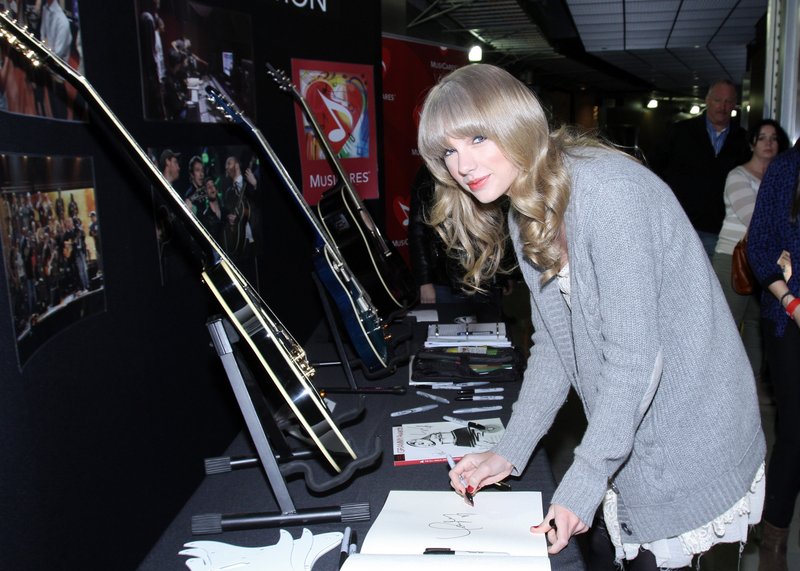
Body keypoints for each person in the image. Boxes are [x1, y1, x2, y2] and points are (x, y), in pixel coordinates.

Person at [417, 64, 765, 570]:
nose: (462, 163)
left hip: (693, 433)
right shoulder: (524, 205)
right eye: (448, 150)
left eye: (475, 137)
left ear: (515, 123)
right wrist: (509, 451)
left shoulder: (606, 192)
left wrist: (584, 478)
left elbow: (635, 360)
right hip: (636, 426)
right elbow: (556, 347)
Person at [746, 142, 800, 571]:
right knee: (796, 430)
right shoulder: (786, 170)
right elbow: (761, 244)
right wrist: (791, 301)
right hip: (788, 319)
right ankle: (774, 535)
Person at [711, 119, 790, 388]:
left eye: (774, 138)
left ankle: (748, 388)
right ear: (752, 144)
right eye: (762, 137)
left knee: (757, 328)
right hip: (732, 260)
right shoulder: (738, 176)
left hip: (767, 263)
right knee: (727, 326)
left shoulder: (782, 179)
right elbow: (756, 221)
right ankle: (718, 387)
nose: (769, 143)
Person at [650, 80, 750, 259]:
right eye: (718, 100)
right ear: (707, 101)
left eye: (728, 102)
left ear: (734, 105)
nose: (723, 106)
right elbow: (654, 170)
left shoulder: (743, 140)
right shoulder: (679, 132)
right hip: (681, 226)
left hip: (720, 233)